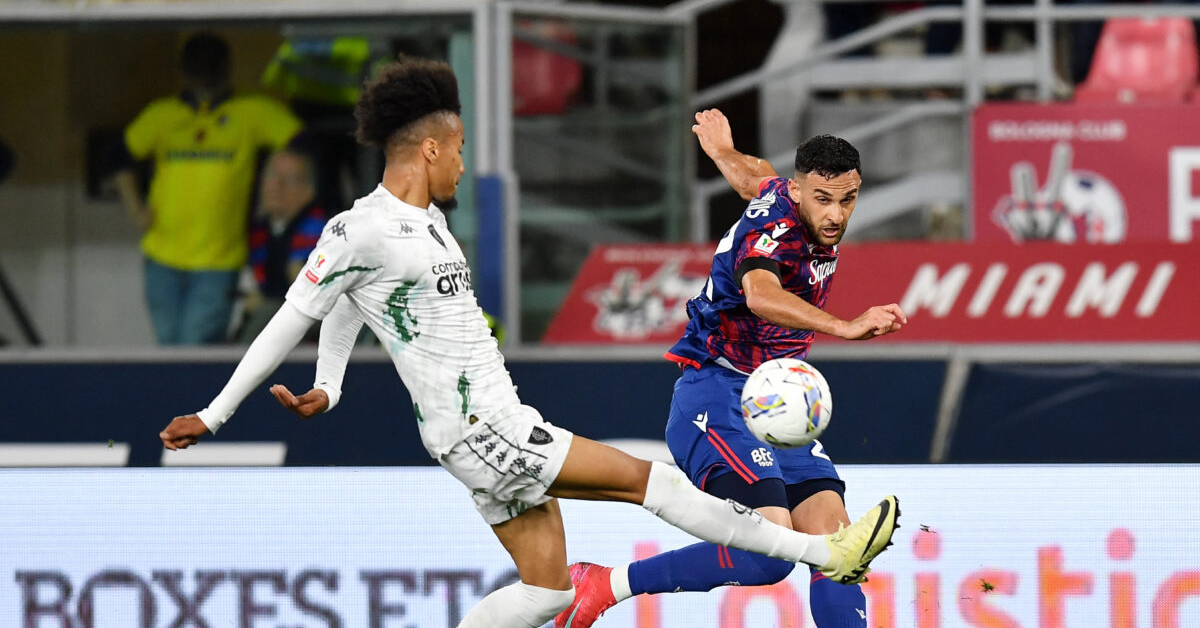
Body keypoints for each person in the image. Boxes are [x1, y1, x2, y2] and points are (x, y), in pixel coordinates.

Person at [157, 58, 899, 628]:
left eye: (848, 198)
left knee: (545, 592)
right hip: (494, 428)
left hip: (490, 423)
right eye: (460, 149)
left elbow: (352, 300)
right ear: (430, 148)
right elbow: (296, 313)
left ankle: (787, 557)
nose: (464, 163)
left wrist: (331, 382)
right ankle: (819, 552)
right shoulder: (362, 227)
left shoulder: (425, 222)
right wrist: (215, 415)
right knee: (657, 488)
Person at [554, 109, 908, 628]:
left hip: (774, 400)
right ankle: (605, 583)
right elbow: (760, 294)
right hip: (717, 395)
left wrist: (722, 151)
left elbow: (755, 177)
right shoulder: (774, 230)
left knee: (838, 549)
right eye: (823, 199)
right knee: (767, 555)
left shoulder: (783, 193)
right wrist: (845, 326)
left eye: (847, 199)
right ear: (799, 191)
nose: (836, 214)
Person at [114, 32, 302, 344]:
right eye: (198, 66)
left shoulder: (251, 113)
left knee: (195, 346)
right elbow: (119, 156)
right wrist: (136, 209)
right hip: (162, 258)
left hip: (219, 261)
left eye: (210, 66)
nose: (204, 74)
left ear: (226, 67)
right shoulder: (163, 115)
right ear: (184, 70)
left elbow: (304, 146)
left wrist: (276, 192)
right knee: (168, 345)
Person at [237, 143, 329, 342]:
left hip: (320, 323)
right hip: (282, 319)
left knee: (268, 311)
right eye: (273, 176)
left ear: (309, 191)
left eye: (290, 180)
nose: (277, 186)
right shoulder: (260, 229)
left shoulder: (321, 230)